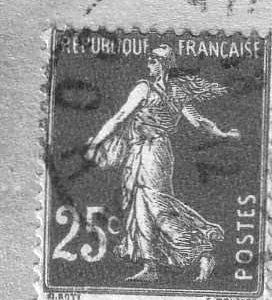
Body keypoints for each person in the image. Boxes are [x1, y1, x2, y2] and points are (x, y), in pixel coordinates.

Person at [84, 43, 240, 282]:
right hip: (153, 152)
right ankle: (151, 265)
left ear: (162, 64)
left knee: (155, 204)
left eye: (152, 61)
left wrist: (95, 142)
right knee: (141, 206)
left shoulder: (144, 88)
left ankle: (201, 248)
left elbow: (120, 117)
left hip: (150, 152)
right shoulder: (177, 92)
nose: (148, 65)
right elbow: (200, 122)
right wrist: (223, 134)